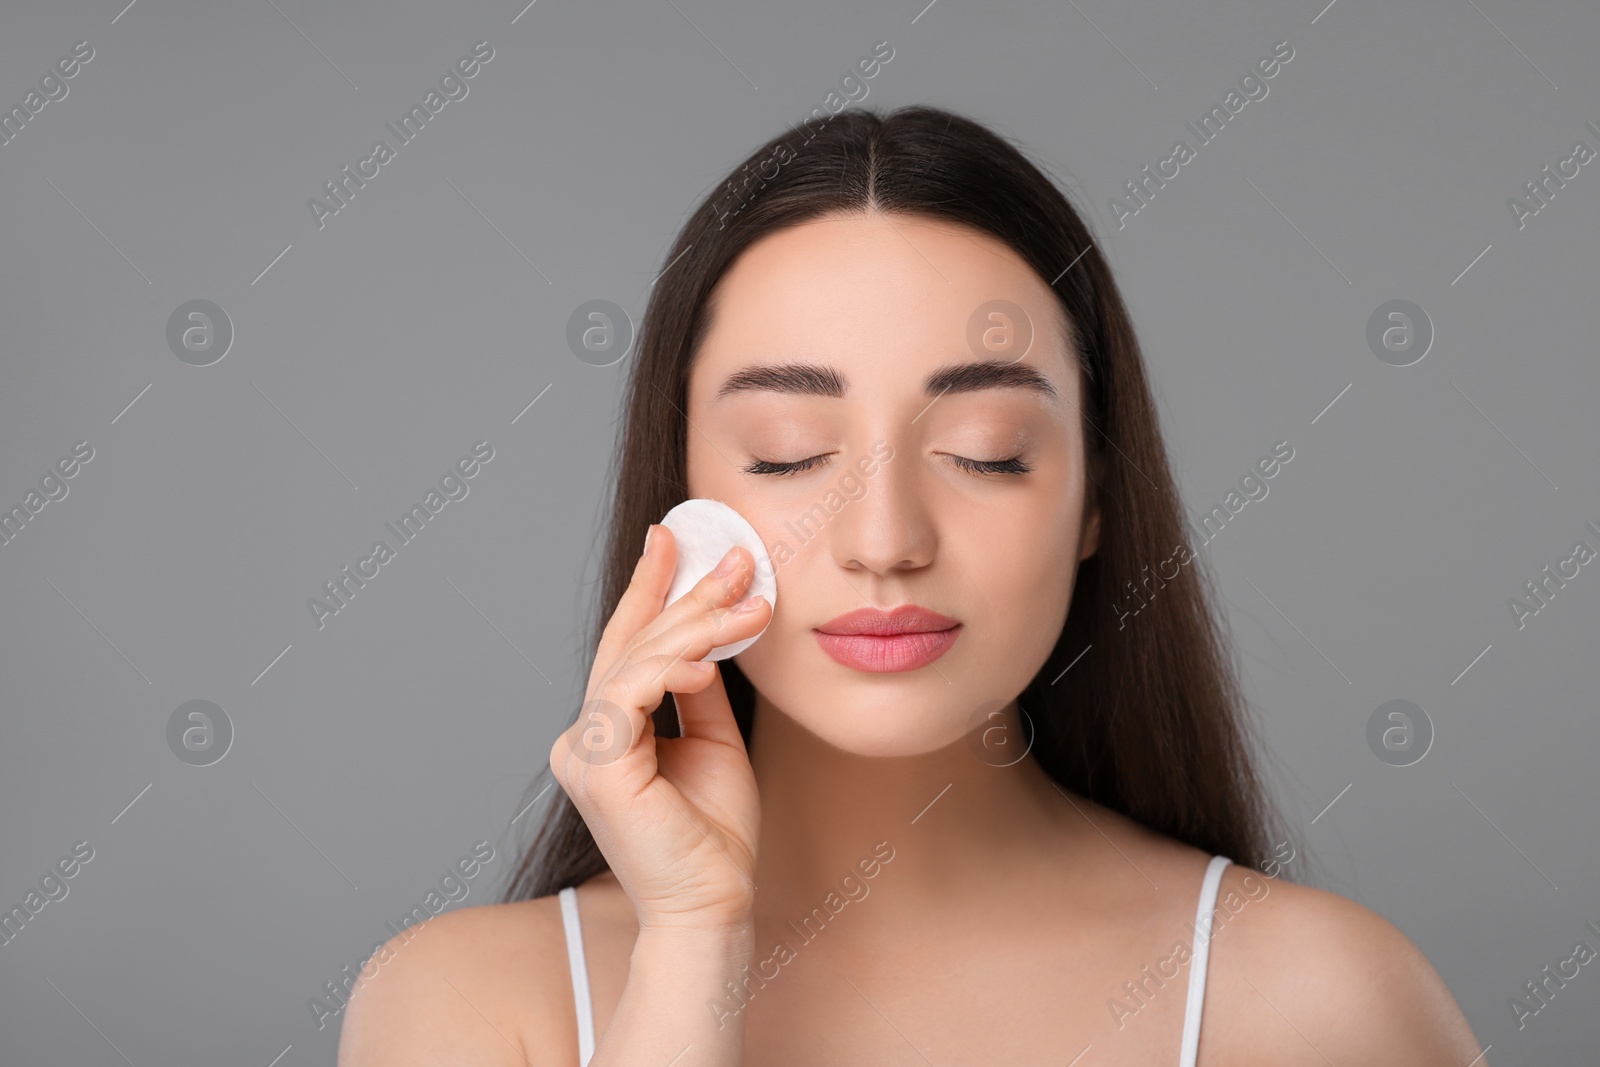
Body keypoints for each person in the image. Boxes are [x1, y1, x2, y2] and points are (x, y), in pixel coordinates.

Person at [337, 105, 1487, 1066]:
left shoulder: (1319, 1006)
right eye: (789, 450)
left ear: (1095, 498)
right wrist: (691, 948)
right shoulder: (463, 1008)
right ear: (678, 497)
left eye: (987, 448)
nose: (881, 538)